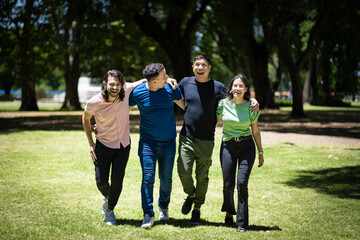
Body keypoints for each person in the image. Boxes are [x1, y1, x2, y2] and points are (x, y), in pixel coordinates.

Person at [82, 69, 176, 226]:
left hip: (123, 145)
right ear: (104, 84)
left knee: (117, 181)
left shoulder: (125, 91)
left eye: (118, 84)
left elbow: (146, 81)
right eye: (112, 84)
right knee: (101, 182)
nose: (115, 87)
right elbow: (85, 119)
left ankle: (109, 210)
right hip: (103, 145)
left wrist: (166, 79)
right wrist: (91, 144)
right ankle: (107, 196)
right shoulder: (94, 102)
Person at [177, 54, 259, 224]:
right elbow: (174, 94)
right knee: (183, 171)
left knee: (202, 176)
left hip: (207, 139)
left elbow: (236, 95)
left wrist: (252, 100)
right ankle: (191, 194)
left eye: (203, 65)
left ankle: (197, 209)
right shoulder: (185, 82)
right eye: (197, 65)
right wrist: (185, 106)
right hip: (187, 136)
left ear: (209, 68)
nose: (200, 68)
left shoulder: (218, 87)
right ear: (193, 67)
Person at [129, 63, 185, 229]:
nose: (167, 77)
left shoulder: (171, 88)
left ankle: (163, 206)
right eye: (163, 76)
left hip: (168, 142)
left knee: (166, 180)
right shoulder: (138, 93)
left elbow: (186, 106)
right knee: (147, 179)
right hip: (147, 143)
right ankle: (148, 214)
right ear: (153, 81)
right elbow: (120, 108)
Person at [216, 73, 264, 232]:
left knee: (242, 183)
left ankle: (242, 223)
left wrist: (261, 152)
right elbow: (215, 122)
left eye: (240, 86)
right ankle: (229, 211)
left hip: (246, 147)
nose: (237, 88)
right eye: (235, 85)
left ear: (246, 89)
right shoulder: (222, 104)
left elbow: (255, 131)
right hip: (228, 147)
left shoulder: (251, 106)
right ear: (230, 88)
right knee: (228, 185)